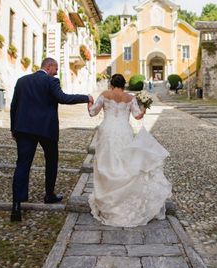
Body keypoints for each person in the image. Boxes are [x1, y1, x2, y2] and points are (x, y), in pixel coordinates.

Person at [10, 57, 92, 222]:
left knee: (22, 165)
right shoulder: (51, 81)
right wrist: (86, 97)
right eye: (55, 69)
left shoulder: (22, 81)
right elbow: (63, 98)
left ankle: (16, 205)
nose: (56, 72)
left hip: (24, 129)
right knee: (51, 161)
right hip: (46, 129)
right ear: (49, 66)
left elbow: (14, 106)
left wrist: (13, 129)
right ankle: (49, 195)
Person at [87, 74, 172, 227]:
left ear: (111, 84)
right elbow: (137, 115)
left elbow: (92, 112)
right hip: (124, 131)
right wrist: (144, 106)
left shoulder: (105, 95)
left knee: (106, 162)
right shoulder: (129, 97)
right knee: (125, 163)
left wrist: (90, 102)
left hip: (107, 131)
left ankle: (107, 197)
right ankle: (124, 195)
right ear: (124, 84)